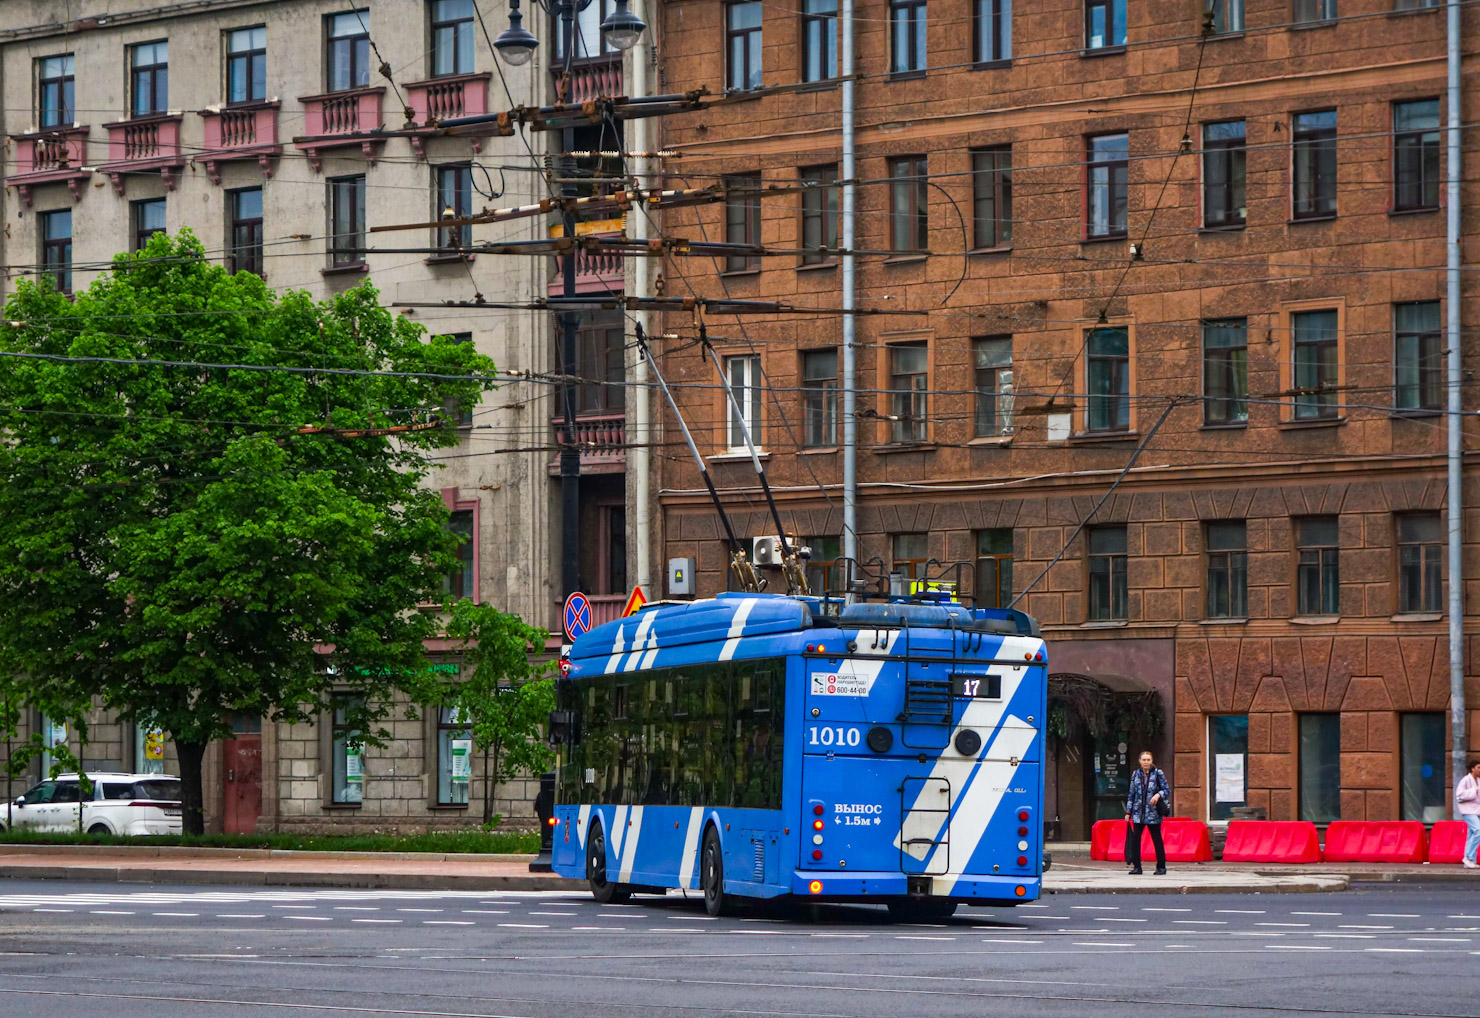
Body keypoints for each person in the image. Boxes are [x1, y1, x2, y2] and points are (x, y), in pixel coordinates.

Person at [1124, 750, 1172, 875]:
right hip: (1138, 813)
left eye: (1148, 760)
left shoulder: (1157, 773)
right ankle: (1137, 867)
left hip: (1153, 813)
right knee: (1135, 840)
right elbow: (1131, 794)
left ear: (1151, 761)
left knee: (1157, 840)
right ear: (1140, 761)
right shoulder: (1136, 774)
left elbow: (1167, 790)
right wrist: (1128, 811)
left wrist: (1158, 794)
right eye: (1143, 760)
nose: (1146, 762)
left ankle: (1161, 867)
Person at [1457, 760, 1480, 869]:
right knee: (1478, 830)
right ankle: (1469, 857)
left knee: (1472, 833)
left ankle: (1470, 860)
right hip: (1467, 810)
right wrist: (1473, 792)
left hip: (1476, 810)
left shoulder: (1479, 780)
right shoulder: (1465, 780)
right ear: (1472, 768)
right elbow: (1459, 795)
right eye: (1478, 767)